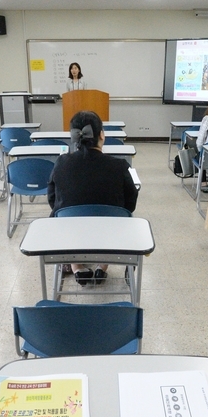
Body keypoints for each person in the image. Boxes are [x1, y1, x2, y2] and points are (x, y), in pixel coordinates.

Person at [47, 110, 138, 286]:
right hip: (110, 237)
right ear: (102, 135)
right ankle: (102, 266)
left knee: (66, 213)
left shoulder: (61, 163)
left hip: (70, 235)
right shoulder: (120, 166)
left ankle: (77, 267)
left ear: (74, 137)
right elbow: (130, 204)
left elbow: (53, 201)